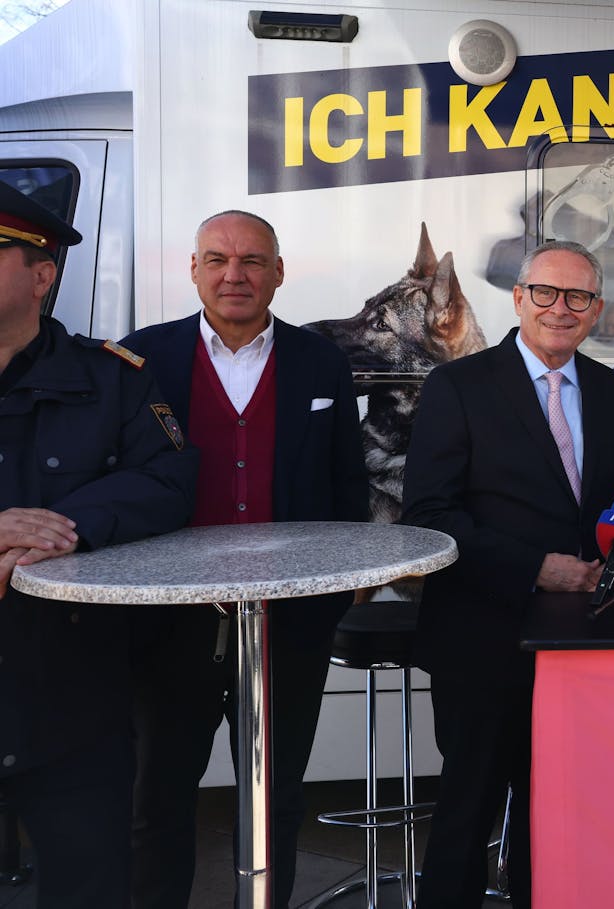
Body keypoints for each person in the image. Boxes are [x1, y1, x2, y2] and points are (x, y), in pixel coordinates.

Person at [120, 210, 368, 909]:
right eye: (219, 259)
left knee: (277, 797)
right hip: (171, 620)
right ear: (194, 269)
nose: (237, 274)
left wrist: (344, 589)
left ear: (279, 272)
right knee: (158, 796)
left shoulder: (321, 361)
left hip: (291, 623)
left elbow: (349, 481)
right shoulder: (141, 358)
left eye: (254, 260)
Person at [402, 240, 614, 907]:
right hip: (484, 639)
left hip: (580, 644)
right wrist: (539, 568)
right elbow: (430, 514)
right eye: (545, 292)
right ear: (518, 297)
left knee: (560, 816)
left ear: (595, 310)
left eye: (577, 297)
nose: (559, 309)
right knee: (467, 814)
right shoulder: (459, 385)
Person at [0, 181, 197, 908]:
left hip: (72, 699)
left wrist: (67, 524)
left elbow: (170, 477)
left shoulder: (112, 379)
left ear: (41, 273)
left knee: (91, 889)